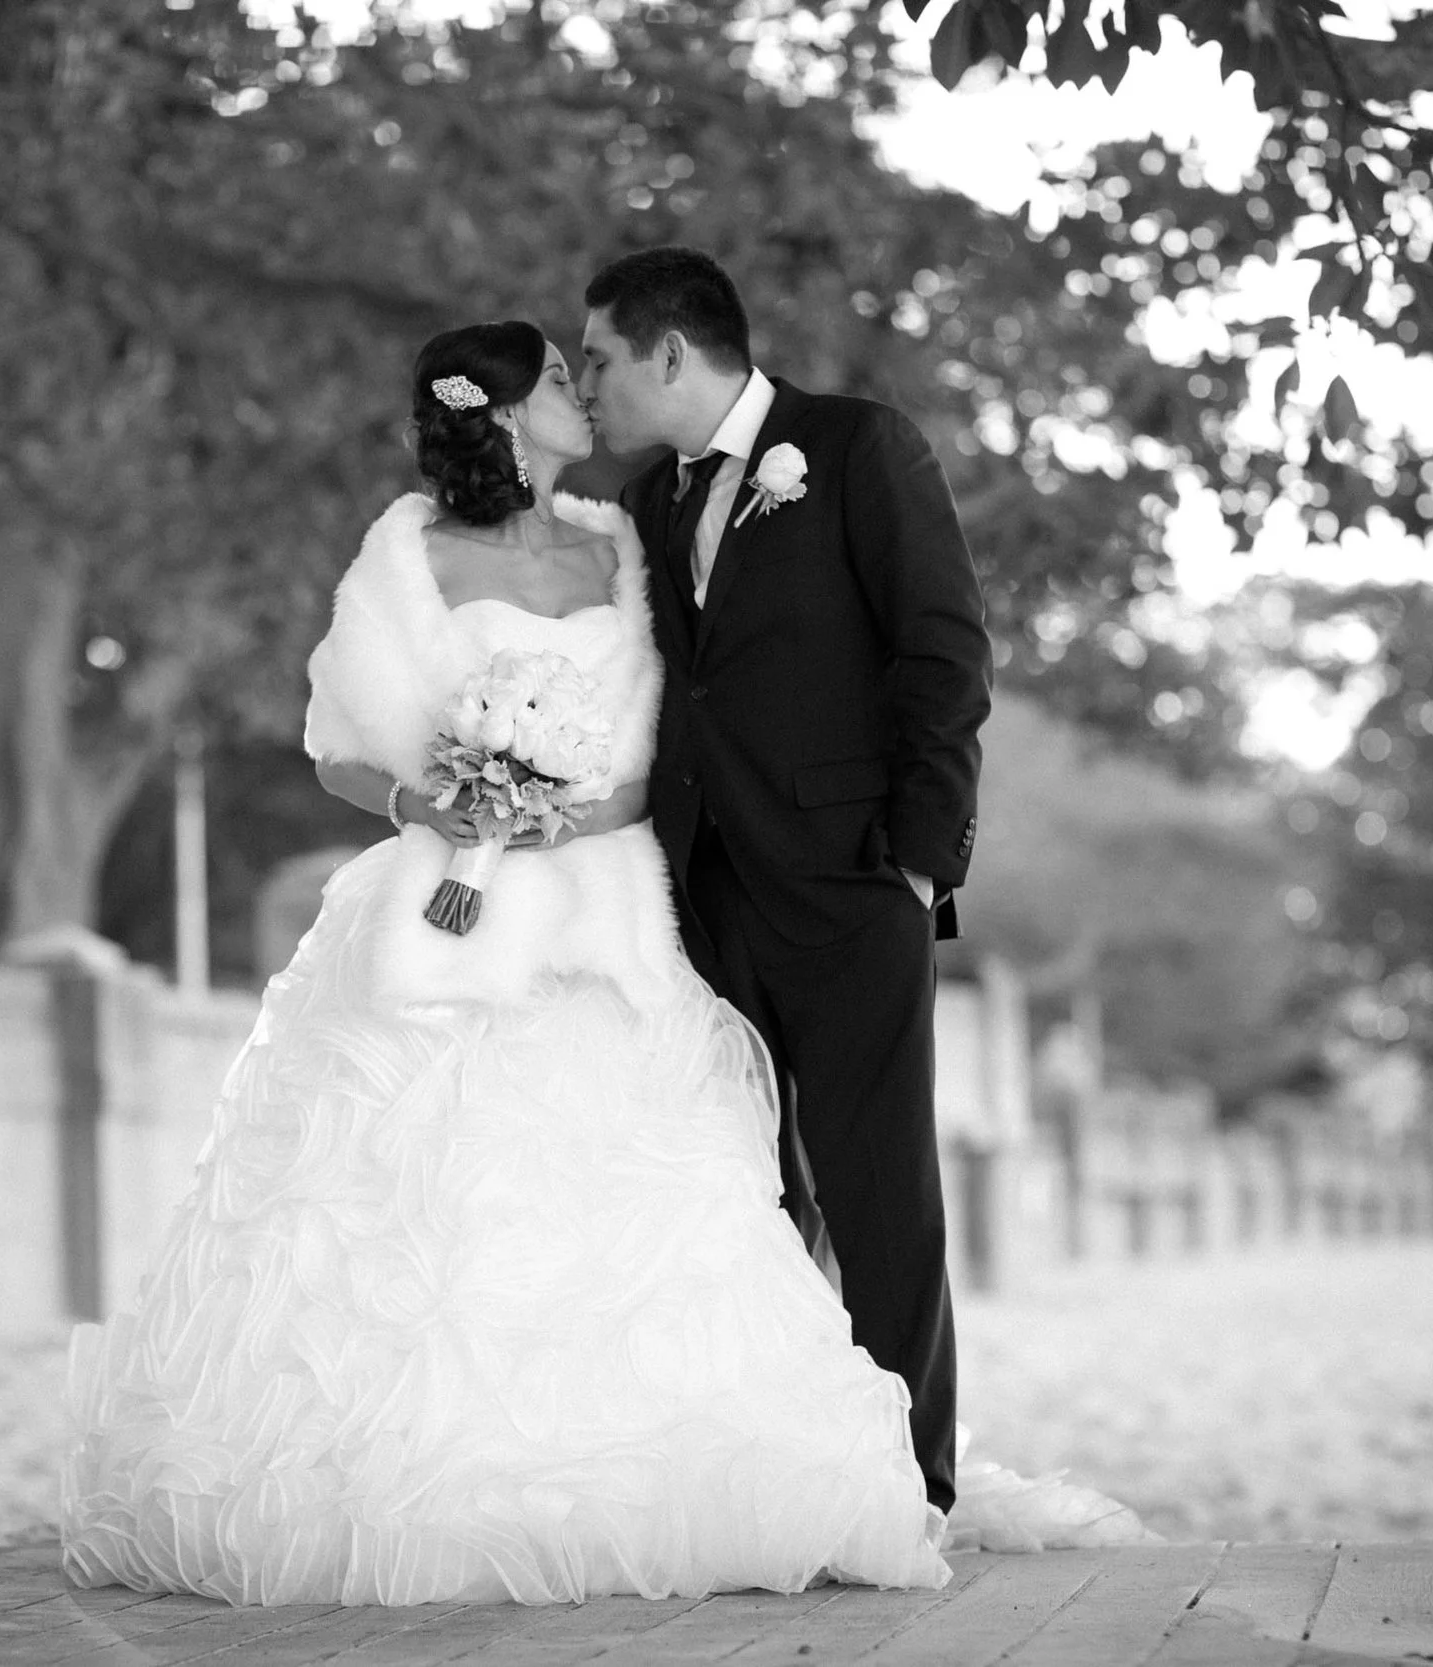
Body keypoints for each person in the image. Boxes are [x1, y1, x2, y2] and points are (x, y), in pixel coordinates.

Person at [58, 320, 958, 1606]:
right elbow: (335, 745)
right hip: (446, 902)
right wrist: (443, 807)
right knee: (419, 1194)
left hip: (606, 904)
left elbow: (670, 736)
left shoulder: (623, 538)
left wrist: (567, 812)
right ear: (494, 410)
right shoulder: (406, 549)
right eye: (554, 378)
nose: (579, 391)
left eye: (583, 368)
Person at [577, 247, 987, 1517]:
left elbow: (943, 647)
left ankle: (910, 1481)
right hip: (703, 891)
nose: (584, 383)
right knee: (749, 1189)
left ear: (666, 353)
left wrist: (921, 860)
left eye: (595, 359)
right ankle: (791, 1451)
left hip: (854, 880)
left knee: (878, 1187)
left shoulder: (857, 446)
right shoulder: (649, 504)